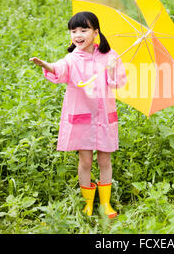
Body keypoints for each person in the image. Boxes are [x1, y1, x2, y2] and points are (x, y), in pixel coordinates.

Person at [29, 11, 127, 218]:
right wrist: (46, 65)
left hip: (104, 117)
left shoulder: (109, 56)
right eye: (74, 31)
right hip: (83, 118)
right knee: (85, 162)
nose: (78, 35)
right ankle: (88, 203)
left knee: (105, 161)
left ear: (96, 32)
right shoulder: (72, 58)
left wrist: (110, 70)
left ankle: (106, 204)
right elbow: (60, 69)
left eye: (84, 30)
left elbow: (119, 82)